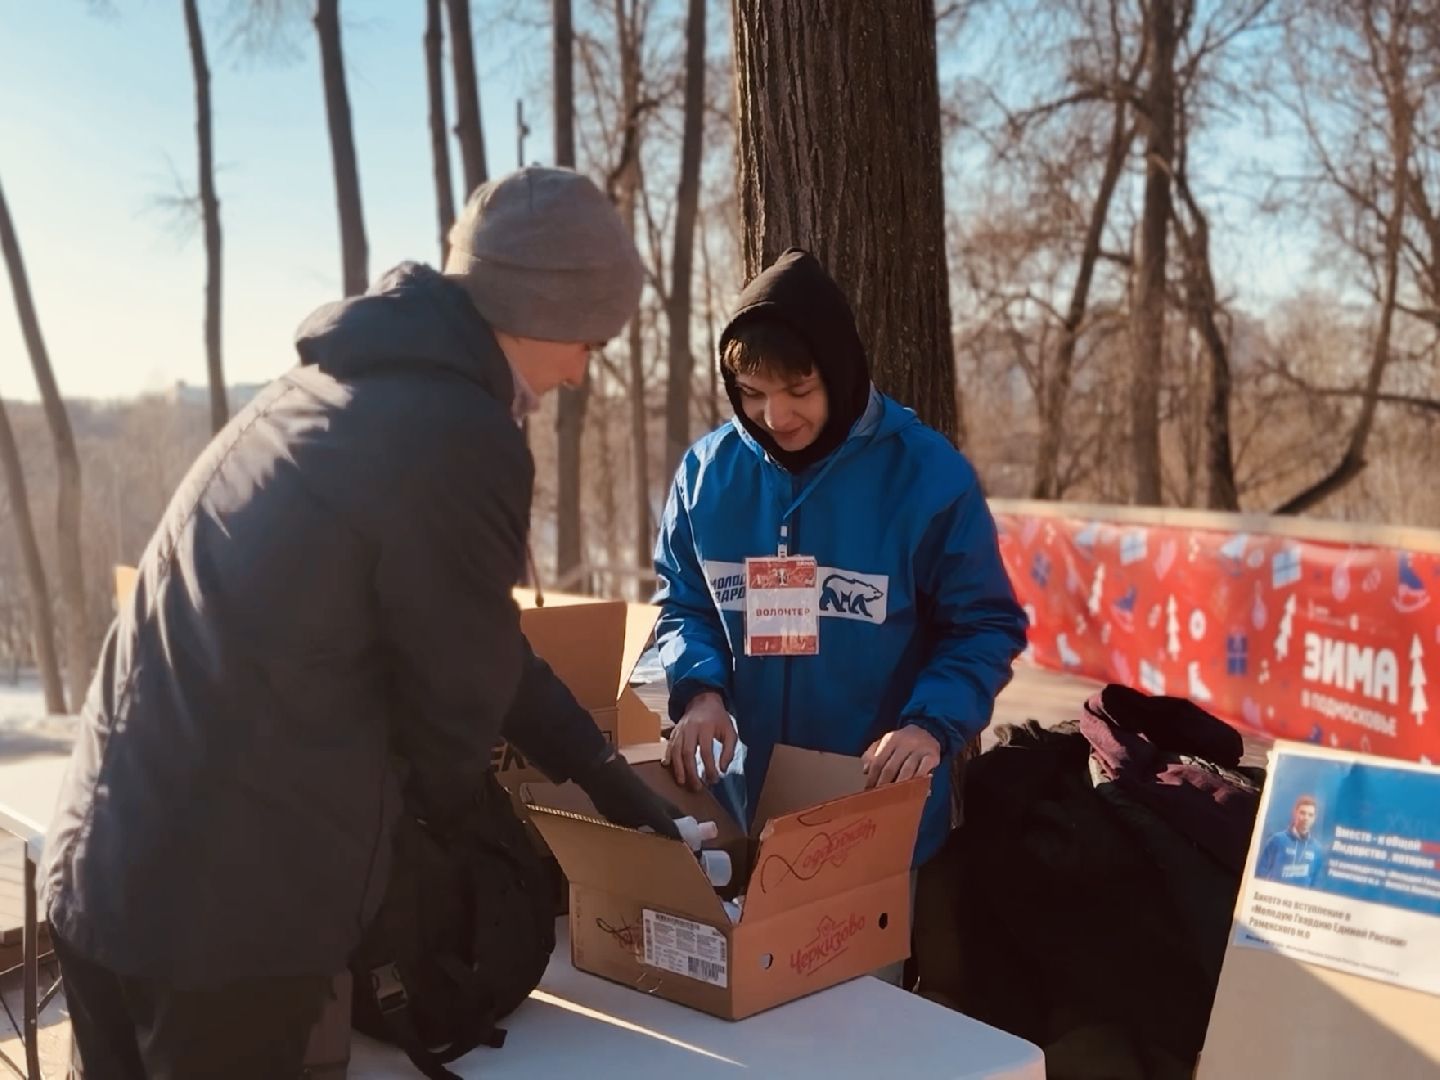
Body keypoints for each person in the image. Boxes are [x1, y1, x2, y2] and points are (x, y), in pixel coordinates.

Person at [42, 166, 680, 1079]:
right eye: (591, 339)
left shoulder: (331, 392)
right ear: (541, 306)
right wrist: (495, 877)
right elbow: (453, 713)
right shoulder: (460, 434)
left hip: (107, 862)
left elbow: (480, 642)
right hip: (224, 919)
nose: (584, 370)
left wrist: (609, 781)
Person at [653, 247, 1028, 873]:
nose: (776, 417)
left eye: (799, 390)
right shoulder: (704, 477)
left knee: (863, 971)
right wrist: (700, 693)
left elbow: (983, 626)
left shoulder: (927, 478)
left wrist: (929, 727)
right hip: (742, 807)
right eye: (752, 394)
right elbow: (685, 603)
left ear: (840, 370)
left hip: (875, 808)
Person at [1256, 795, 1325, 886]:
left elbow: (1316, 883)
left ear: (1314, 818)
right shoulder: (1277, 840)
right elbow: (1261, 873)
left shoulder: (1317, 849)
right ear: (1295, 813)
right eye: (1302, 813)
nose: (1306, 818)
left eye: (1310, 815)